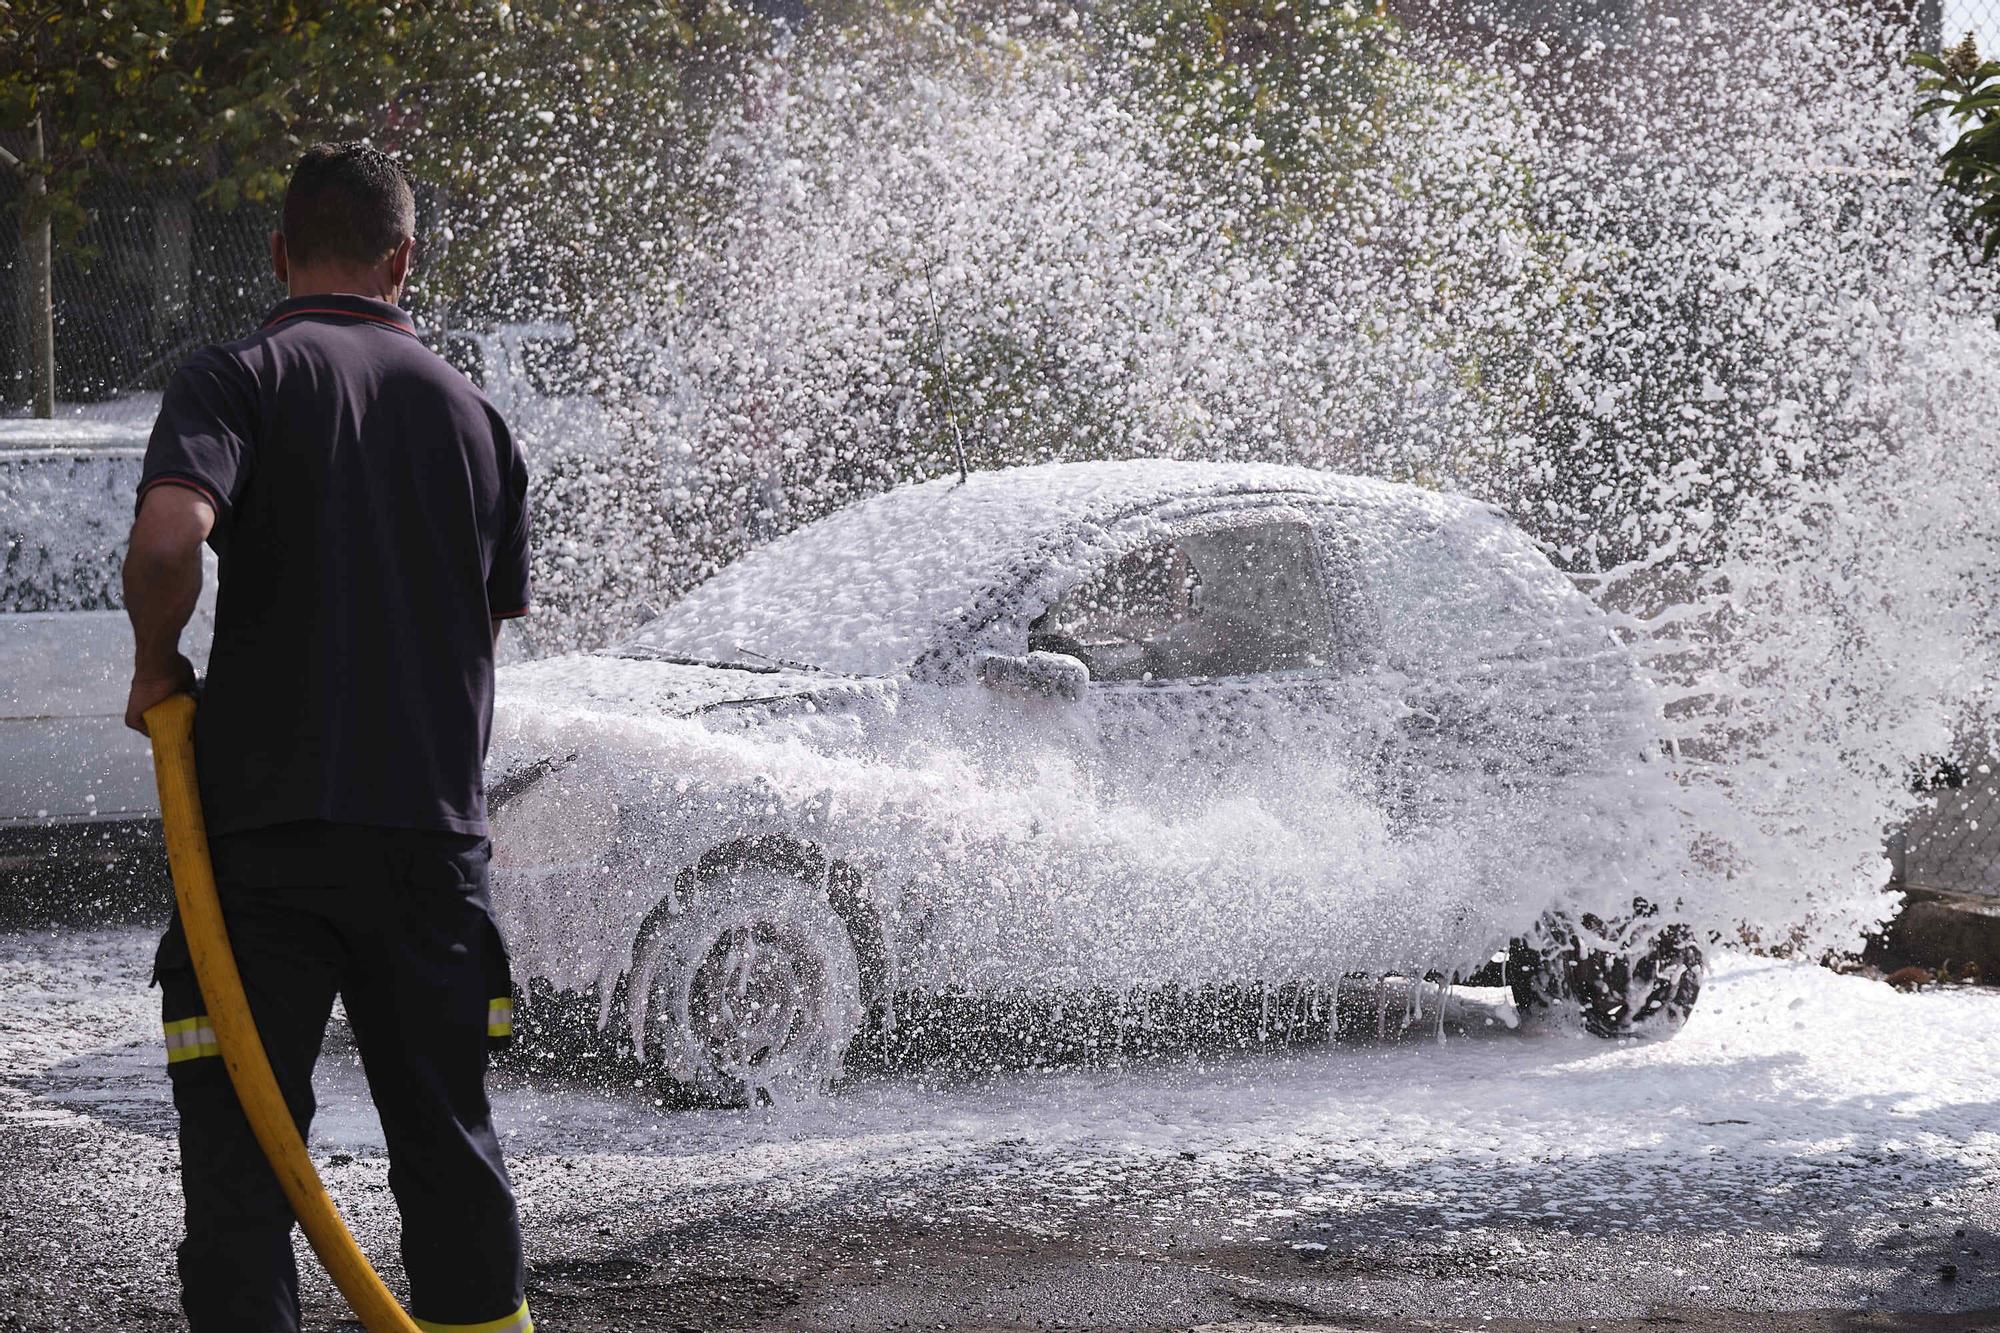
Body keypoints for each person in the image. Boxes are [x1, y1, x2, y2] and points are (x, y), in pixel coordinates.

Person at [122, 141, 533, 1333]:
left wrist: (157, 663)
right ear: (403, 260)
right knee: (450, 1153)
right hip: (430, 849)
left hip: (261, 850)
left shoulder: (238, 376)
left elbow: (166, 545)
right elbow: (484, 627)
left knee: (247, 1166)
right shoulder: (478, 418)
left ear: (279, 252)